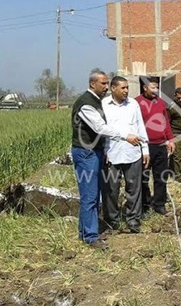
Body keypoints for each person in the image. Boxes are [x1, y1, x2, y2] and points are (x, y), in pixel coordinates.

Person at [71, 70, 140, 250]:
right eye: (103, 84)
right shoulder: (86, 104)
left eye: (107, 83)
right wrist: (125, 136)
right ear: (92, 84)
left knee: (94, 195)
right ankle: (91, 237)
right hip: (86, 153)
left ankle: (84, 232)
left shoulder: (96, 101)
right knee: (90, 196)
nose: (106, 88)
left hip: (95, 152)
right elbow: (100, 127)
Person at [101, 76, 150, 234]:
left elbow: (140, 126)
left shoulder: (133, 104)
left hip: (132, 153)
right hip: (111, 154)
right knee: (111, 190)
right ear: (113, 88)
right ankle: (111, 221)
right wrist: (103, 151)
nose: (126, 91)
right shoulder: (103, 105)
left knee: (134, 189)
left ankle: (133, 221)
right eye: (123, 88)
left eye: (127, 87)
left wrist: (145, 149)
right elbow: (100, 131)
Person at [135, 78, 175, 217]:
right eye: (152, 88)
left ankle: (159, 204)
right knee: (143, 177)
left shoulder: (160, 103)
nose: (155, 91)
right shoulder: (136, 103)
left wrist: (170, 139)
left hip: (161, 145)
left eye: (157, 88)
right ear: (145, 88)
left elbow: (166, 122)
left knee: (161, 177)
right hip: (144, 147)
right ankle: (144, 204)